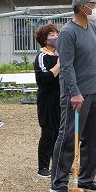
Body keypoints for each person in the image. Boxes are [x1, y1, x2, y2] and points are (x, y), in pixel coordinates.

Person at [50, 0, 96, 192]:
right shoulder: (67, 32)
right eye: (94, 4)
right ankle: (59, 181)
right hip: (75, 93)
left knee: (93, 137)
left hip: (93, 91)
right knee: (68, 136)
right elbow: (66, 66)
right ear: (83, 7)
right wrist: (74, 92)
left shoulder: (93, 28)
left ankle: (87, 178)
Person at [33, 23, 60, 179]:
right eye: (51, 35)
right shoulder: (42, 56)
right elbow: (43, 79)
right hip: (47, 98)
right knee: (48, 132)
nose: (55, 37)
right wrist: (59, 65)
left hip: (61, 97)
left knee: (60, 132)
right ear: (44, 39)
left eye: (56, 34)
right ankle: (43, 167)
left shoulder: (60, 53)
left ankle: (59, 164)